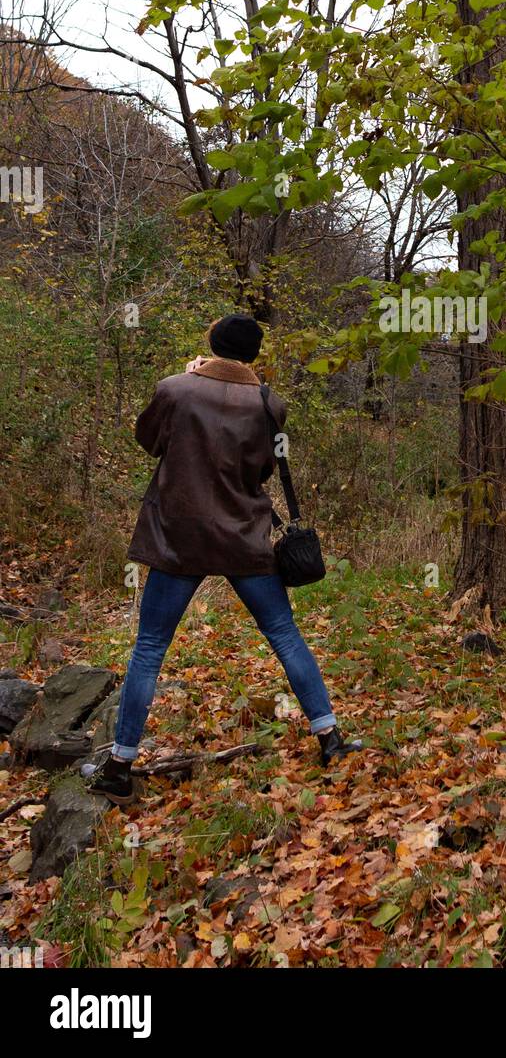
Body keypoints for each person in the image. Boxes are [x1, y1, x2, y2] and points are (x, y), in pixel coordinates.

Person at [90, 313, 359, 806]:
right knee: (285, 635)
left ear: (212, 344)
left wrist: (192, 378)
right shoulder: (268, 404)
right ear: (252, 355)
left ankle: (119, 766)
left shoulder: (175, 389)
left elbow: (149, 441)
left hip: (179, 539)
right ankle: (331, 741)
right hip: (243, 538)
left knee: (150, 648)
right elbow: (262, 470)